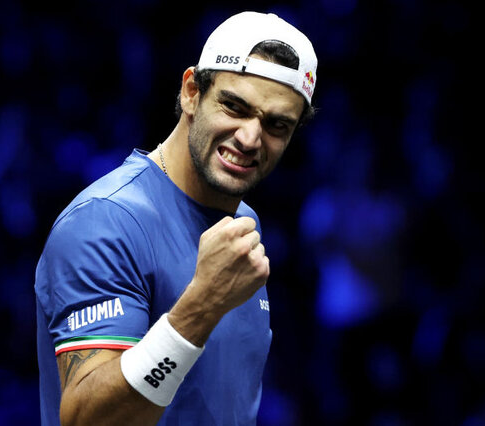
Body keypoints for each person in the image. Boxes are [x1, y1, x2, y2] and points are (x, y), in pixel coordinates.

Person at [35, 11, 318, 426]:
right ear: (190, 92)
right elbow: (87, 421)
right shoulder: (104, 222)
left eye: (277, 125)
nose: (250, 138)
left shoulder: (244, 224)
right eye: (234, 106)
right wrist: (201, 305)